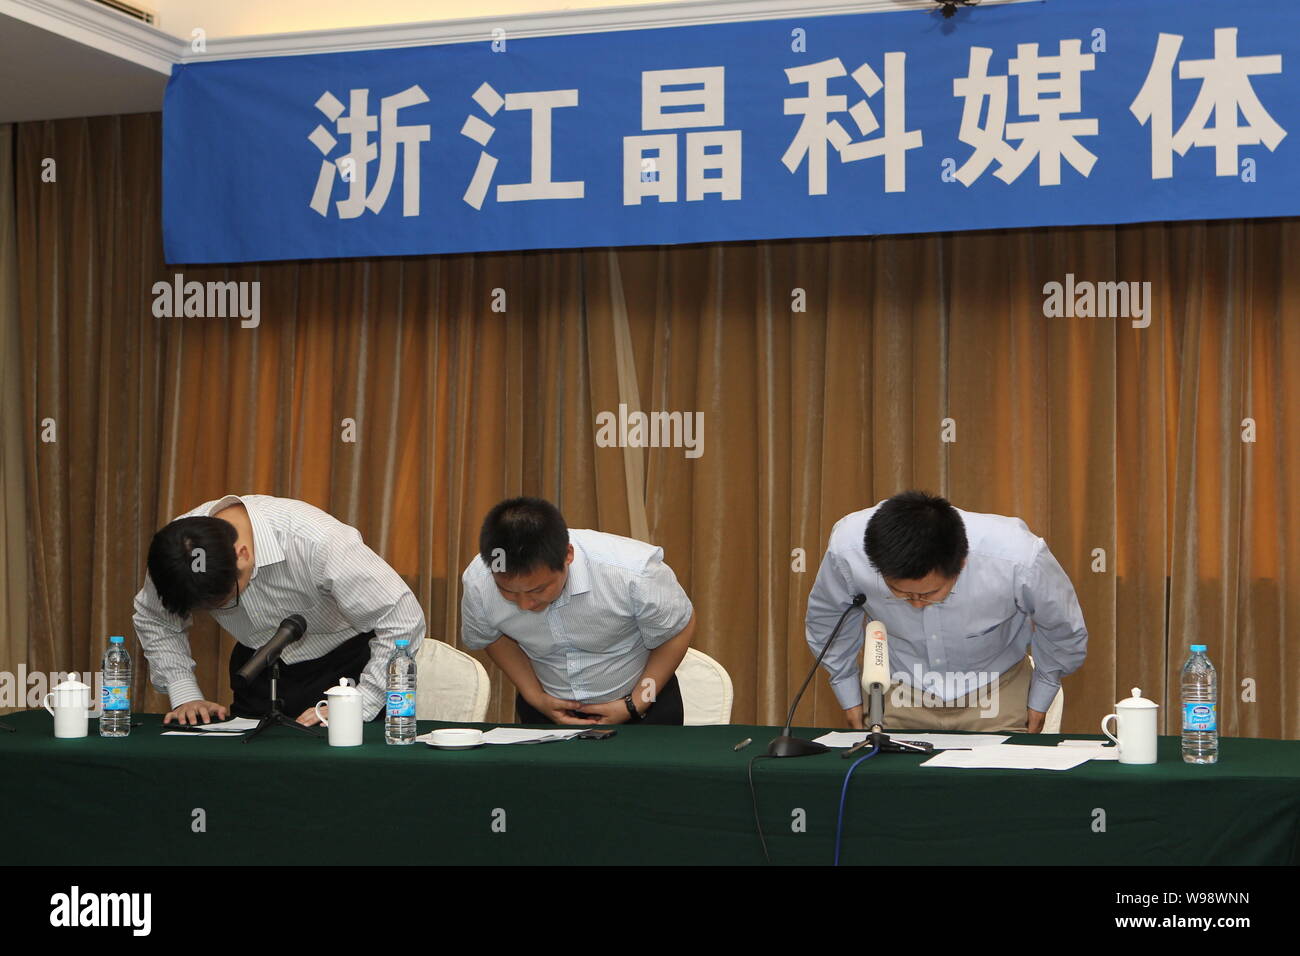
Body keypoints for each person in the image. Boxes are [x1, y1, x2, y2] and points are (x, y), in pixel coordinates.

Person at [805, 490, 1087, 733]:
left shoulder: (1018, 557)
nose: (915, 603)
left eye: (928, 593)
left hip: (997, 692)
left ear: (961, 563)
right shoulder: (848, 551)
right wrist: (848, 691)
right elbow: (828, 621)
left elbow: (1061, 626)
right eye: (900, 592)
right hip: (900, 693)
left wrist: (1042, 692)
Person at [133, 494, 425, 726]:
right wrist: (185, 695)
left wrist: (360, 702)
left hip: (345, 669)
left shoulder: (315, 540)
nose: (213, 612)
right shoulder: (176, 552)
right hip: (257, 667)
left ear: (242, 555)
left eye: (223, 602)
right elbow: (154, 617)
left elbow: (401, 617)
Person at [460, 497, 696, 725]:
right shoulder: (479, 583)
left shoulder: (632, 572)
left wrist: (637, 703)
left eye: (538, 589)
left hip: (644, 712)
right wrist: (535, 696)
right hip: (546, 714)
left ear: (568, 556)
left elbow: (677, 630)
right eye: (508, 592)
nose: (524, 605)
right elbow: (491, 636)